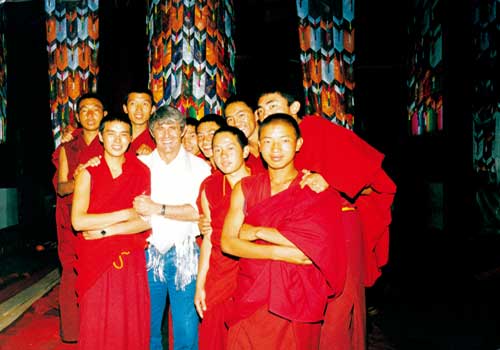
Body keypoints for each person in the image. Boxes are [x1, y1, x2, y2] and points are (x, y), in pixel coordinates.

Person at [256, 88, 397, 350]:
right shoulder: (270, 146)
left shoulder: (317, 130)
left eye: (272, 106)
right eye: (260, 110)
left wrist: (331, 181)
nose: (265, 114)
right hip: (299, 234)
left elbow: (373, 183)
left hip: (339, 226)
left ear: (295, 108)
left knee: (339, 307)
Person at [220, 114, 347, 350]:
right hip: (251, 294)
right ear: (258, 143)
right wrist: (280, 253)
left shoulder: (314, 189)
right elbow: (228, 243)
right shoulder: (246, 187)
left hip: (296, 298)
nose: (275, 149)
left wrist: (258, 232)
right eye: (267, 141)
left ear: (298, 144)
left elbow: (312, 249)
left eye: (284, 141)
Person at [133, 105, 211, 350]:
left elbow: (197, 213)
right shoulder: (139, 165)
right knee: (147, 323)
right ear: (152, 133)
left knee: (186, 324)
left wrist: (158, 208)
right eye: (160, 128)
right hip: (147, 251)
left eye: (172, 128)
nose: (166, 134)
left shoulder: (200, 167)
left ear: (182, 130)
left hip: (184, 252)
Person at [71, 114, 152, 350]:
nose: (117, 140)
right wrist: (126, 213)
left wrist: (105, 230)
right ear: (100, 137)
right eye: (111, 133)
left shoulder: (140, 171)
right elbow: (78, 221)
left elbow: (146, 221)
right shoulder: (88, 173)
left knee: (129, 321)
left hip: (129, 259)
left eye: (123, 134)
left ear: (130, 139)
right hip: (94, 260)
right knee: (96, 321)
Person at [51, 92, 107, 343]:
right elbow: (62, 187)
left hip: (102, 217)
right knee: (71, 273)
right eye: (85, 110)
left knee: (100, 273)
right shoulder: (68, 147)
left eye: (96, 109)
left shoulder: (112, 142)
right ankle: (73, 333)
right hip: (71, 218)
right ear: (77, 116)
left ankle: (99, 328)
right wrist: (84, 178)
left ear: (104, 114)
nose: (91, 114)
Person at [195, 126, 252, 349]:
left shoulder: (263, 181)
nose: (223, 155)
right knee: (215, 336)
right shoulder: (209, 187)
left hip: (252, 269)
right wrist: (201, 284)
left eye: (230, 148)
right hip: (219, 272)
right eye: (217, 150)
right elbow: (208, 237)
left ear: (245, 151)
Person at [224, 96, 266, 173]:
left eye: (241, 115)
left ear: (256, 115)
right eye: (230, 119)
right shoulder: (236, 154)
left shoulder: (276, 142)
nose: (236, 123)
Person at [122, 88, 157, 155]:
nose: (139, 109)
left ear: (152, 109)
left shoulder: (158, 138)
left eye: (145, 104)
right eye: (133, 104)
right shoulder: (116, 136)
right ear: (125, 108)